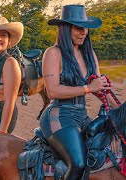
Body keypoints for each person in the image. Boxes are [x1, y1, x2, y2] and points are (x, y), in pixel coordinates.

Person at [40, 5, 119, 179]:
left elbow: (101, 89)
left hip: (81, 116)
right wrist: (88, 88)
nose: (83, 32)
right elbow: (52, 91)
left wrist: (120, 110)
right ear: (65, 28)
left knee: (101, 154)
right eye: (78, 27)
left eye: (85, 28)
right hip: (58, 116)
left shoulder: (89, 53)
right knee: (79, 164)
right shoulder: (53, 53)